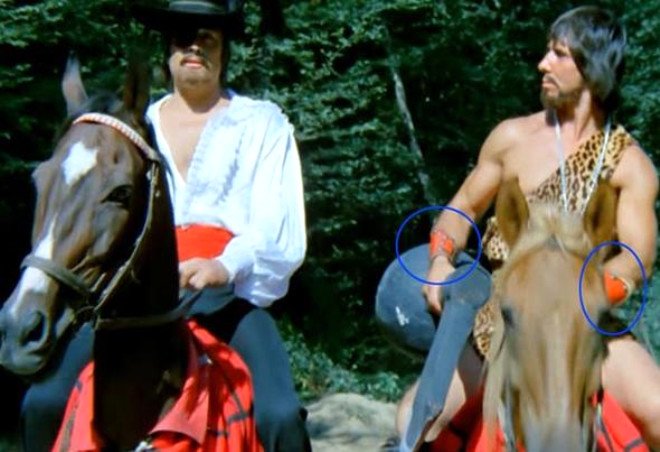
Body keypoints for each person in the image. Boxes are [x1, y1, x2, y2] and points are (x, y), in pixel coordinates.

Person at [376, 5, 660, 449]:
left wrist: (584, 296)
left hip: (583, 323)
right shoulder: (512, 138)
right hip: (502, 314)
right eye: (547, 51)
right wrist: (440, 259)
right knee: (418, 420)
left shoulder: (630, 165)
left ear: (593, 67)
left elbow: (636, 260)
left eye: (559, 54)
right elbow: (461, 209)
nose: (543, 64)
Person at [132, 1, 310, 451]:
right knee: (46, 401)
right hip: (140, 300)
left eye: (207, 38)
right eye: (183, 37)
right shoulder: (136, 126)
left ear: (224, 51)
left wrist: (223, 265)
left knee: (280, 415)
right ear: (168, 49)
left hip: (228, 298)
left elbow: (276, 223)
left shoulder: (261, 123)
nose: (194, 47)